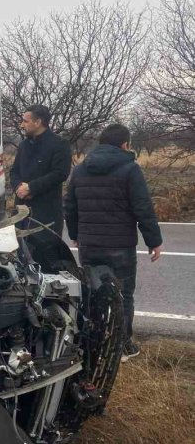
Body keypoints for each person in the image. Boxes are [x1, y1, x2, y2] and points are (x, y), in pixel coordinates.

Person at [64, 123, 162, 362]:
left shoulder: (80, 169)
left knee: (92, 294)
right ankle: (122, 346)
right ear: (125, 144)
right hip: (120, 247)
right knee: (123, 295)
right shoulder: (130, 169)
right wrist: (154, 240)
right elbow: (142, 208)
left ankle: (91, 343)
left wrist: (76, 234)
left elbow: (70, 206)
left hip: (89, 246)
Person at [10, 105, 72, 233]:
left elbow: (60, 173)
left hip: (46, 213)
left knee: (47, 251)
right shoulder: (24, 145)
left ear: (38, 122)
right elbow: (14, 171)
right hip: (21, 211)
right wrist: (19, 187)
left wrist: (31, 187)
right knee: (22, 250)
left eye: (26, 121)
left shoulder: (59, 144)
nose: (22, 125)